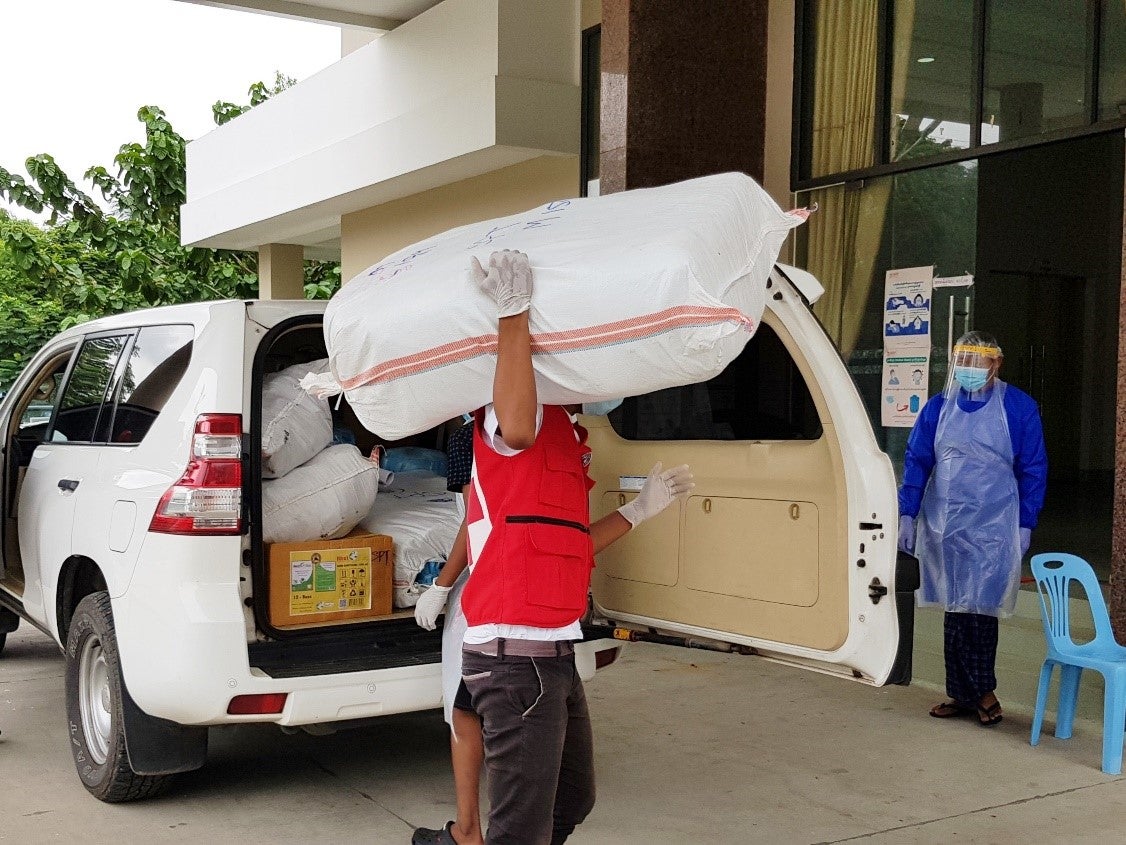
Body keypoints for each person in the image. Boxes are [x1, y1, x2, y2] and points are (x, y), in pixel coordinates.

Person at [413, 249, 693, 844]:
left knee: (573, 801)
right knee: (522, 830)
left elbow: (568, 546)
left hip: (554, 656)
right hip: (514, 661)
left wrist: (638, 513)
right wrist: (513, 314)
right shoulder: (508, 423)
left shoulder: (568, 439)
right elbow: (515, 425)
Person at [897, 331, 1047, 727]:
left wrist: (1025, 521)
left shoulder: (1018, 408)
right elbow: (917, 460)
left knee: (981, 610)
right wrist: (907, 513)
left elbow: (1033, 468)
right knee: (955, 608)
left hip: (994, 524)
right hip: (946, 524)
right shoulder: (937, 408)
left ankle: (983, 691)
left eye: (975, 363)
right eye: (960, 363)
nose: (967, 371)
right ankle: (963, 694)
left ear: (995, 364)